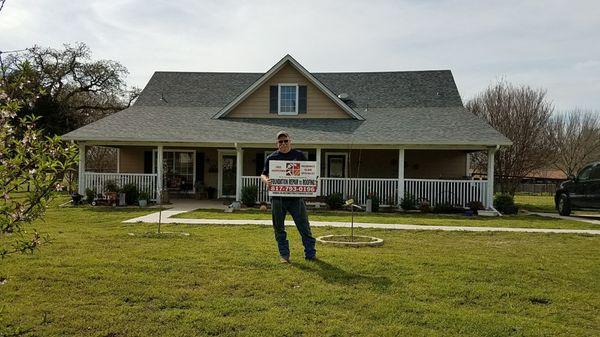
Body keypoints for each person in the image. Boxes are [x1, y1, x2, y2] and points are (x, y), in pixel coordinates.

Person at [261, 131, 317, 263]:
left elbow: (307, 173)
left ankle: (310, 254)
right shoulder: (271, 158)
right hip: (278, 198)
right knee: (279, 228)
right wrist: (266, 181)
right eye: (280, 142)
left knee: (304, 227)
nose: (283, 143)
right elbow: (263, 174)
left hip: (296, 198)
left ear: (290, 141)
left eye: (286, 141)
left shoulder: (299, 155)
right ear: (277, 143)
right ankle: (284, 255)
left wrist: (312, 181)